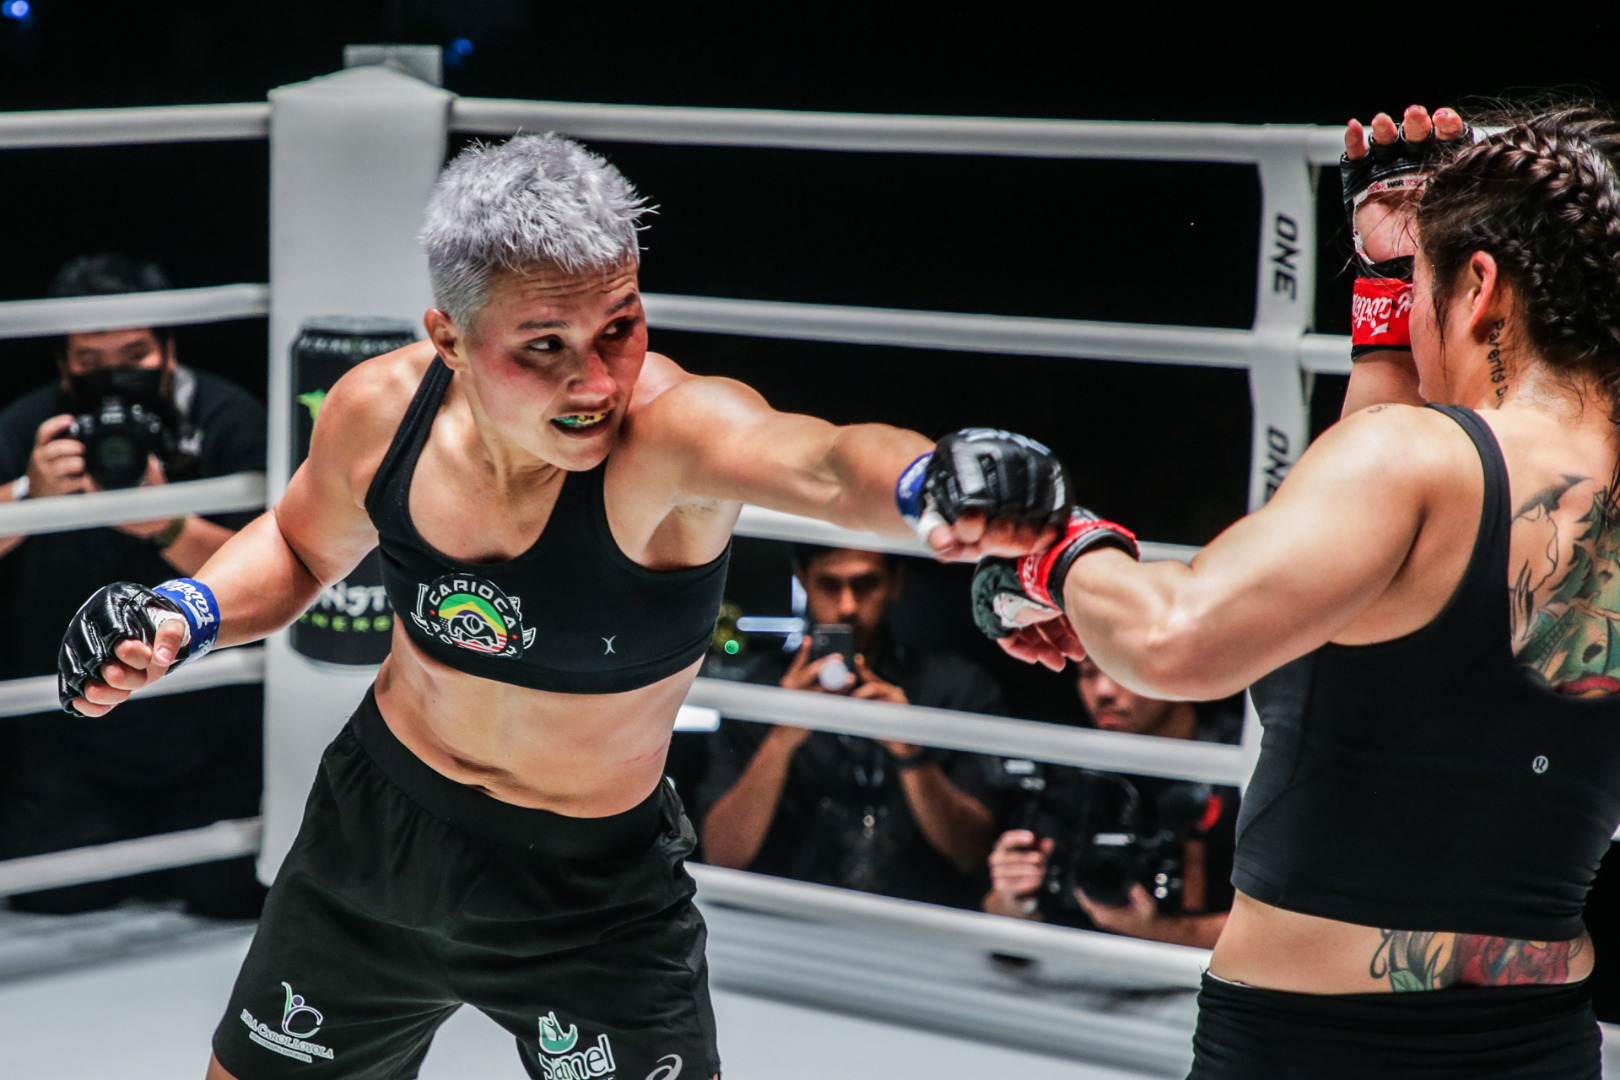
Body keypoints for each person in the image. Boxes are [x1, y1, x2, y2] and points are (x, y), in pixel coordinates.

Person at [54, 135, 1069, 1080]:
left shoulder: (673, 435)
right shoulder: (380, 411)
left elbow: (825, 460)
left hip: (589, 892)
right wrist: (182, 610)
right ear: (449, 339)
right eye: (543, 345)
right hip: (375, 836)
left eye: (618, 328)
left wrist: (932, 478)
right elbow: (298, 544)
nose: (594, 381)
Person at [971, 102, 1620, 1078]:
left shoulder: (1414, 463)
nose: (1412, 319)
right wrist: (1390, 297)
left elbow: (1172, 640)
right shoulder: (1452, 475)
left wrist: (1058, 547)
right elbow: (1377, 613)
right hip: (1541, 1041)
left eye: (1422, 290)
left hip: (1310, 1046)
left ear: (1481, 288)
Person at [0, 253, 267, 917]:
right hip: (68, 742)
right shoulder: (34, 424)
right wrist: (29, 497)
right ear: (63, 362)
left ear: (169, 349)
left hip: (210, 737)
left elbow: (284, 567)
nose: (113, 373)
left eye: (134, 353)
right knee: (57, 893)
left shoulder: (229, 418)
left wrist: (168, 523)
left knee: (228, 892)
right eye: (89, 359)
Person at [699, 545, 1006, 908]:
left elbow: (973, 853)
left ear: (895, 583)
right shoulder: (758, 694)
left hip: (916, 918)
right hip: (788, 921)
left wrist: (910, 751)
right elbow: (722, 855)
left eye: (865, 584)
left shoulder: (955, 688)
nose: (847, 606)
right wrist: (781, 739)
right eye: (829, 585)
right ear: (803, 581)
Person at [983, 657, 1239, 948]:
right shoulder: (1069, 767)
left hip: (1199, 970)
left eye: (1121, 669)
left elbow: (1274, 933)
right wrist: (1015, 897)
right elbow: (997, 921)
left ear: (1178, 668)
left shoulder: (1245, 759)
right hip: (1079, 963)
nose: (1103, 690)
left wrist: (1157, 929)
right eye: (1088, 673)